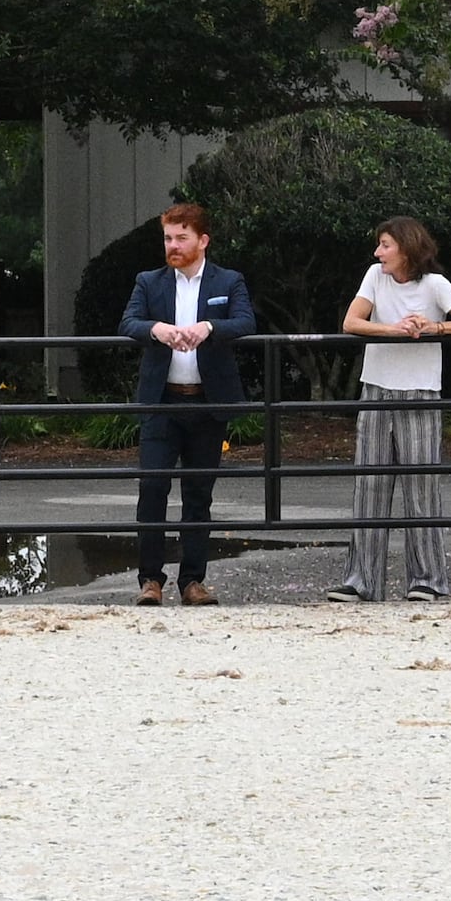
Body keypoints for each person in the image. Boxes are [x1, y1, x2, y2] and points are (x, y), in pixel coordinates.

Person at [329, 215, 451, 604]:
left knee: (421, 486)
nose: (378, 252)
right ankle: (361, 580)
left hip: (420, 389)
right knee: (370, 484)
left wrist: (435, 328)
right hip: (377, 387)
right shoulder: (374, 277)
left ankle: (427, 579)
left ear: (406, 248)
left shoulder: (435, 285)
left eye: (385, 245)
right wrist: (395, 330)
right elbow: (352, 321)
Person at [120, 203, 256, 608]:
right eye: (167, 238)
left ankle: (193, 580)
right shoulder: (149, 281)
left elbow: (246, 321)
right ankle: (151, 580)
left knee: (199, 494)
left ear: (203, 240)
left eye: (181, 237)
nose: (173, 245)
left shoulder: (229, 281)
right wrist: (156, 329)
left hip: (206, 403)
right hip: (161, 401)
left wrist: (209, 327)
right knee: (152, 489)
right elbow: (128, 322)